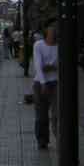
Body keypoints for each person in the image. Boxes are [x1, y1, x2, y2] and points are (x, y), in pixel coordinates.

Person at [32, 21, 58, 149]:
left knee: (57, 113)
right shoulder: (38, 45)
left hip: (56, 82)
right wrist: (43, 82)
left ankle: (59, 138)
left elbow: (58, 64)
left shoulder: (59, 46)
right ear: (46, 32)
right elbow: (38, 65)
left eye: (55, 30)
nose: (53, 32)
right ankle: (42, 140)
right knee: (41, 115)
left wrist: (51, 66)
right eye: (51, 30)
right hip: (40, 83)